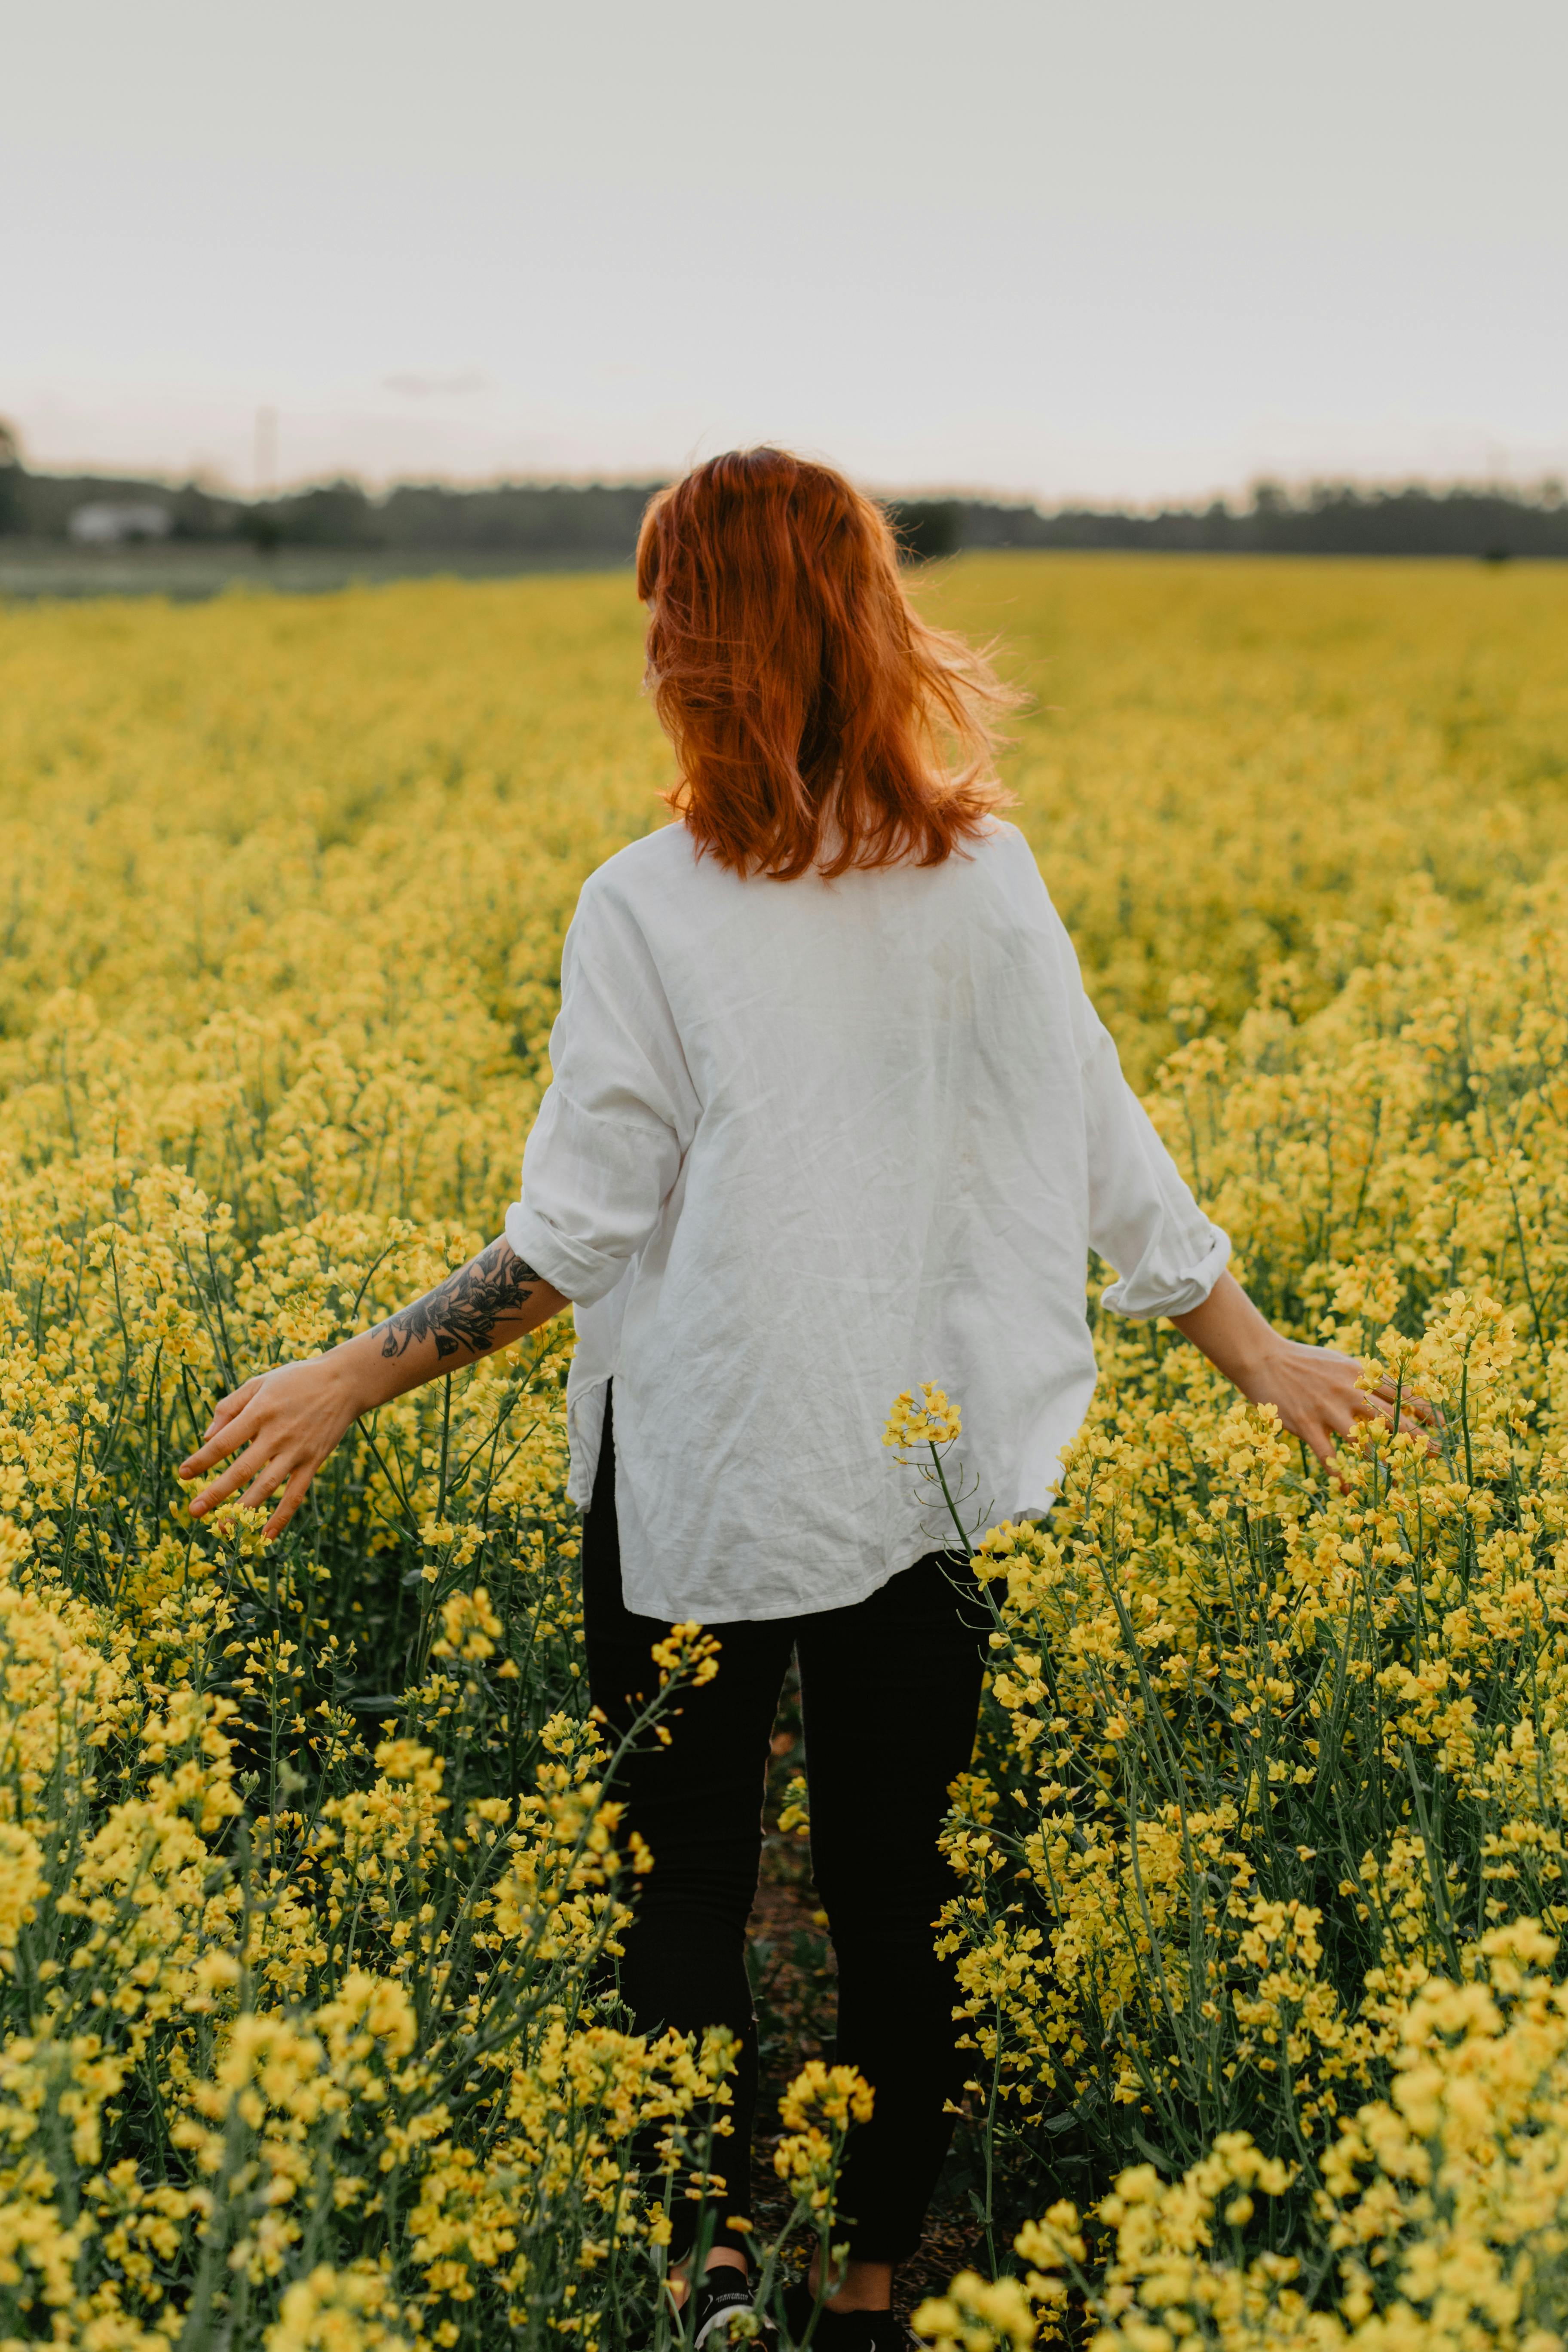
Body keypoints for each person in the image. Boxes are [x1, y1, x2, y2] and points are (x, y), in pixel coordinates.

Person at [180, 449, 1432, 2349]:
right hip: (915, 1489)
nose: (652, 644)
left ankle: (712, 2266)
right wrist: (1249, 1345)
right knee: (894, 1888)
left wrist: (350, 1377)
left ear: (716, 640)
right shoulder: (984, 879)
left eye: (667, 609)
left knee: (676, 1889)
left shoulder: (649, 907)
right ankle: (866, 2285)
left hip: (698, 1478)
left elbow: (576, 1238)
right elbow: (1102, 1135)